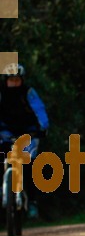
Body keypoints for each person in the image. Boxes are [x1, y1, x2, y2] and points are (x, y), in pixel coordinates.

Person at [0, 62, 49, 220]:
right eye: (11, 80)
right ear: (5, 80)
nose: (14, 83)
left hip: (29, 132)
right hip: (5, 132)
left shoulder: (29, 93)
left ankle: (32, 201)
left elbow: (39, 110)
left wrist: (42, 127)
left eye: (17, 79)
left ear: (22, 80)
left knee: (29, 164)